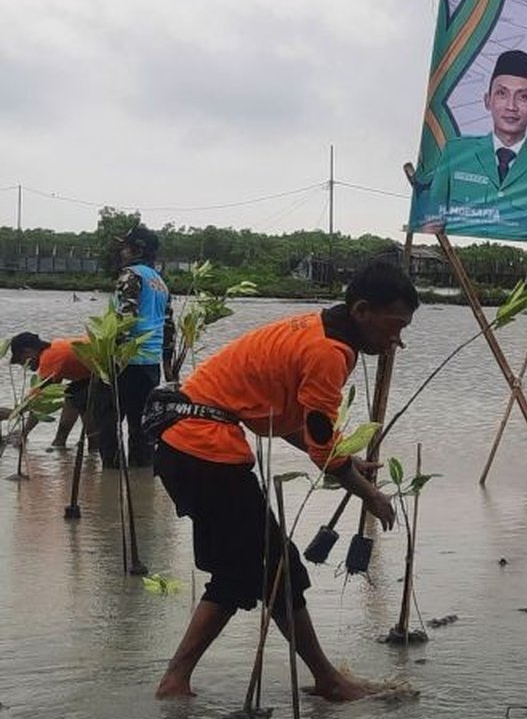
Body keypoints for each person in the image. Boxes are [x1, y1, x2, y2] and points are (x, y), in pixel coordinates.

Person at [151, 261, 416, 701]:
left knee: (270, 570)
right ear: (363, 310)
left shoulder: (318, 330)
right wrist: (371, 495)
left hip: (193, 446)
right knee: (263, 570)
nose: (397, 341)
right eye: (394, 326)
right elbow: (321, 452)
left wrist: (341, 456)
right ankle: (177, 682)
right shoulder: (330, 352)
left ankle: (183, 680)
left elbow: (282, 425)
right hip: (202, 450)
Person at [418, 50, 527, 241]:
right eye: (502, 94)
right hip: (453, 264)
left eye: (523, 97)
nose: (511, 106)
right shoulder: (455, 153)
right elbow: (432, 224)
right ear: (487, 100)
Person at [96, 223, 173, 468]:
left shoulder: (131, 275)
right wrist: (168, 364)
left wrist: (110, 355)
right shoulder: (160, 282)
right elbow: (169, 325)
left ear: (137, 250)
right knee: (141, 422)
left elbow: (125, 317)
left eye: (125, 248)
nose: (122, 252)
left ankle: (111, 473)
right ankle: (141, 476)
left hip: (126, 359)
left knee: (107, 417)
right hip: (150, 362)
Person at [4, 332, 97, 450]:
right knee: (72, 395)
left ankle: (93, 453)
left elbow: (40, 403)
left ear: (28, 352)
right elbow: (44, 398)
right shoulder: (53, 349)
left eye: (21, 361)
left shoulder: (49, 357)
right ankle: (60, 443)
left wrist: (23, 433)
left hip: (104, 371)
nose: (24, 366)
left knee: (83, 407)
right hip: (88, 376)